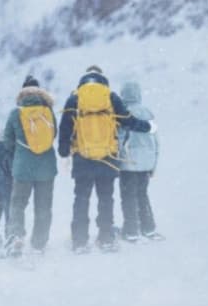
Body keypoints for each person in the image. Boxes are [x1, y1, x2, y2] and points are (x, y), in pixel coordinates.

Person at [58, 66, 152, 253]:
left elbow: (65, 128)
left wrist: (63, 150)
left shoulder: (74, 98)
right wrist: (147, 126)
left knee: (81, 199)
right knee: (106, 199)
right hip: (107, 158)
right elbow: (127, 120)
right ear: (102, 78)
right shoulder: (111, 97)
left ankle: (79, 241)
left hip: (82, 157)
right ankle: (106, 238)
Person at [2, 76, 59, 257]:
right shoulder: (48, 112)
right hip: (46, 168)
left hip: (22, 167)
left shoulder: (15, 113)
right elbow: (53, 135)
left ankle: (16, 235)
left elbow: (7, 142)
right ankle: (39, 244)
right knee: (43, 207)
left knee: (18, 204)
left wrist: (20, 153)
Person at [117, 81, 162, 242]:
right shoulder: (148, 113)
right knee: (142, 195)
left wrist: (117, 160)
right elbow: (156, 142)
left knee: (128, 197)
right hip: (146, 163)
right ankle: (148, 228)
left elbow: (119, 139)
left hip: (129, 163)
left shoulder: (123, 113)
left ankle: (131, 231)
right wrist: (153, 165)